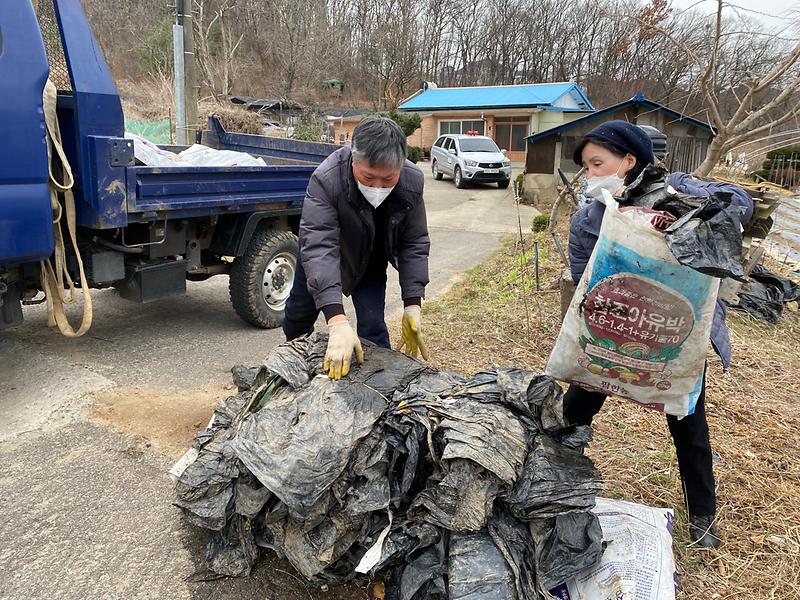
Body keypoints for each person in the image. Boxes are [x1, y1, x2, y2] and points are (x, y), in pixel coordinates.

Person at [565, 120, 754, 549]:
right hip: (618, 334)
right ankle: (550, 484)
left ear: (629, 160)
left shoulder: (678, 188)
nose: (591, 175)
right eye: (587, 168)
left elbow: (740, 204)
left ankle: (703, 519)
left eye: (598, 164)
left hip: (675, 335)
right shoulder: (590, 216)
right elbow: (585, 283)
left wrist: (686, 211)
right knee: (574, 409)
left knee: (688, 423)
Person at [282, 116, 431, 379]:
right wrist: (336, 320)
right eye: (368, 177)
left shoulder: (411, 182)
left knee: (373, 327)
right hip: (323, 257)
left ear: (401, 166)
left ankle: (381, 387)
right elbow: (318, 244)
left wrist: (413, 303)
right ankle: (293, 370)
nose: (377, 187)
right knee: (296, 318)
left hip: (371, 261)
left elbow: (414, 242)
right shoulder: (327, 179)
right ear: (353, 159)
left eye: (388, 180)